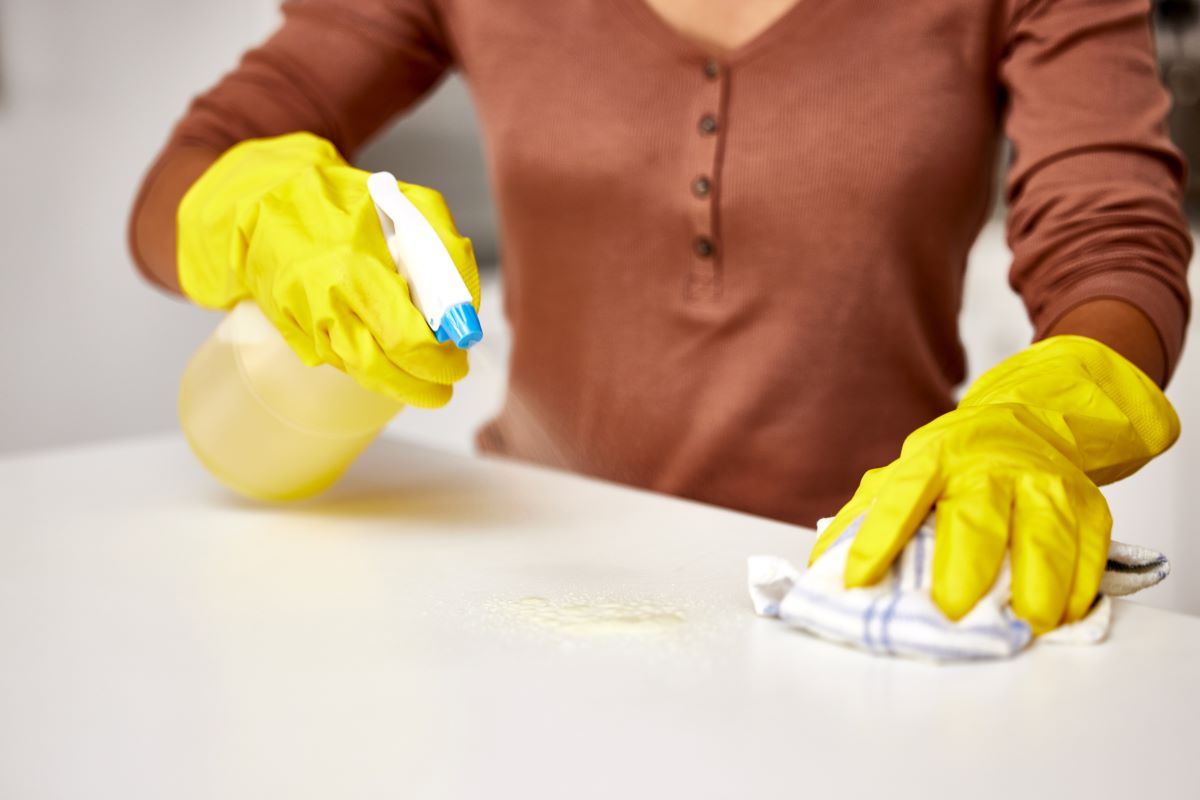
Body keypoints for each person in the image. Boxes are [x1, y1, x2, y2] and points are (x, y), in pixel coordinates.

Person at [129, 0, 1191, 634]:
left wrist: (1034, 423)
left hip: (859, 581)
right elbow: (187, 170)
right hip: (524, 583)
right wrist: (259, 210)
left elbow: (1113, 240)